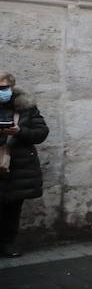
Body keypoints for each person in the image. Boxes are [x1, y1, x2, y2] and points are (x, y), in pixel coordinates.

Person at [0, 73, 49, 258]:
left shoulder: (26, 107)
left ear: (12, 87)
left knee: (12, 209)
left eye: (4, 88)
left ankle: (7, 244)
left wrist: (19, 131)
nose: (1, 92)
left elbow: (41, 132)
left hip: (18, 167)